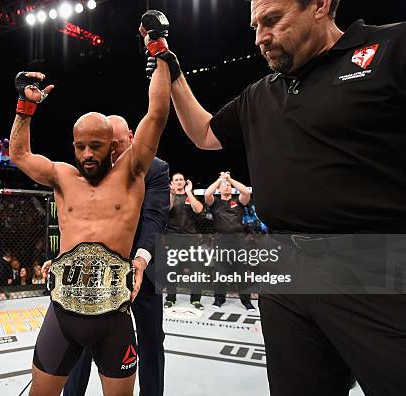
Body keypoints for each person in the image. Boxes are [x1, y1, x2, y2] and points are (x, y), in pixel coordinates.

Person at [144, 1, 406, 394]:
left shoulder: (391, 48)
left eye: (272, 21)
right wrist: (172, 66)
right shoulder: (260, 94)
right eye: (254, 26)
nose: (260, 38)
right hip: (284, 267)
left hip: (375, 266)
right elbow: (203, 133)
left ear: (320, 5)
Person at [8, 13, 171, 395]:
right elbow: (19, 155)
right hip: (62, 313)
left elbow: (158, 114)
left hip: (114, 314)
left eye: (95, 146)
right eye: (79, 146)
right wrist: (24, 107)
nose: (86, 154)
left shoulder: (131, 174)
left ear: (113, 145)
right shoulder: (63, 176)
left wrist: (158, 48)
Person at [64, 115, 170, 396]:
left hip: (142, 269)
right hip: (97, 273)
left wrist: (140, 259)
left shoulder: (155, 169)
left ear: (132, 137)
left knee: (150, 340)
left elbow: (154, 218)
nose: (112, 153)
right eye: (107, 147)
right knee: (82, 340)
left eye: (118, 145)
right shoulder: (91, 171)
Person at [204, 171, 255, 312]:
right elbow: (207, 194)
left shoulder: (238, 201)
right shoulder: (215, 203)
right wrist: (220, 179)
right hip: (221, 240)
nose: (226, 187)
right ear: (219, 189)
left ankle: (247, 302)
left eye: (228, 186)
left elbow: (245, 192)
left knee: (242, 273)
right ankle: (219, 300)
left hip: (239, 240)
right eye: (223, 185)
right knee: (220, 272)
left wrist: (230, 179)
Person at [163, 172, 204, 309]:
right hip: (173, 237)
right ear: (172, 183)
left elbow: (198, 210)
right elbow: (166, 210)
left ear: (185, 182)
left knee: (196, 269)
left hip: (191, 238)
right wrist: (172, 194)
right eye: (176, 180)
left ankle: (196, 299)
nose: (179, 182)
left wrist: (189, 192)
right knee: (172, 270)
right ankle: (170, 298)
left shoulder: (190, 196)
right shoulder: (168, 197)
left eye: (181, 179)